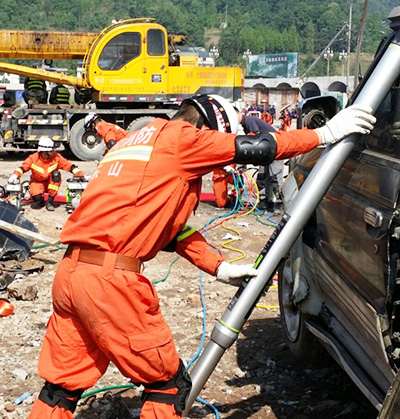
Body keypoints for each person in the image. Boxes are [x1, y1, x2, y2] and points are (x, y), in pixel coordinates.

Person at [28, 94, 375, 419]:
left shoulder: (136, 142)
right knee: (167, 386)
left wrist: (219, 266)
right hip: (109, 282)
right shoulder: (182, 138)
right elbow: (258, 147)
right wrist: (324, 133)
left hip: (71, 274)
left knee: (61, 387)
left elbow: (171, 230)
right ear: (211, 127)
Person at [211, 109, 278, 208]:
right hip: (221, 167)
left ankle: (274, 201)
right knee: (263, 176)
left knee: (273, 176)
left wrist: (242, 164)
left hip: (273, 148)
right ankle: (264, 199)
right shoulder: (225, 127)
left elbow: (254, 141)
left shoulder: (249, 121)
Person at [8, 137, 85, 211]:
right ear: (44, 151)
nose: (53, 152)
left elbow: (68, 165)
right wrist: (15, 175)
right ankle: (40, 201)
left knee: (56, 175)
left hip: (51, 181)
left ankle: (50, 202)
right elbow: (23, 167)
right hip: (37, 182)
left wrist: (79, 173)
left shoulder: (56, 157)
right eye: (51, 150)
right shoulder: (33, 158)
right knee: (36, 197)